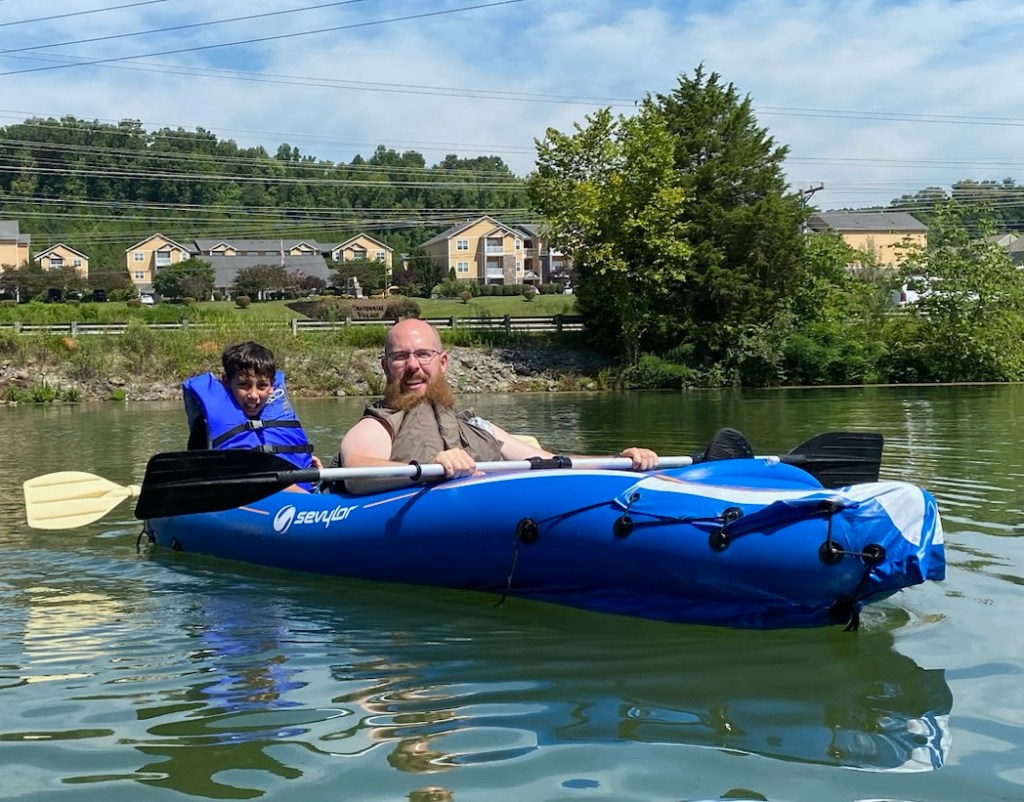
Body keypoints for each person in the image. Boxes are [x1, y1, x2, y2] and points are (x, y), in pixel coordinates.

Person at [336, 318, 658, 494]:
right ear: (385, 366)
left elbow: (545, 460)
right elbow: (356, 471)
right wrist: (432, 468)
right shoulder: (379, 424)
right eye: (400, 356)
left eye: (423, 354)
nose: (412, 365)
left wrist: (618, 461)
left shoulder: (477, 426)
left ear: (443, 362)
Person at [183, 341, 322, 490]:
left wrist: (307, 465)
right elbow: (196, 468)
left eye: (262, 386)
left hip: (295, 493)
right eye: (244, 385)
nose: (253, 395)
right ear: (227, 382)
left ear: (272, 386)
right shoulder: (206, 424)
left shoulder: (279, 413)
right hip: (242, 494)